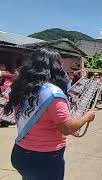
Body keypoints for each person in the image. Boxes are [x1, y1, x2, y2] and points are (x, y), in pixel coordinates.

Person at [5, 48, 95, 180]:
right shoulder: (52, 93)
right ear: (56, 67)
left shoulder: (23, 87)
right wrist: (87, 117)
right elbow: (67, 128)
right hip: (44, 158)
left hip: (20, 153)